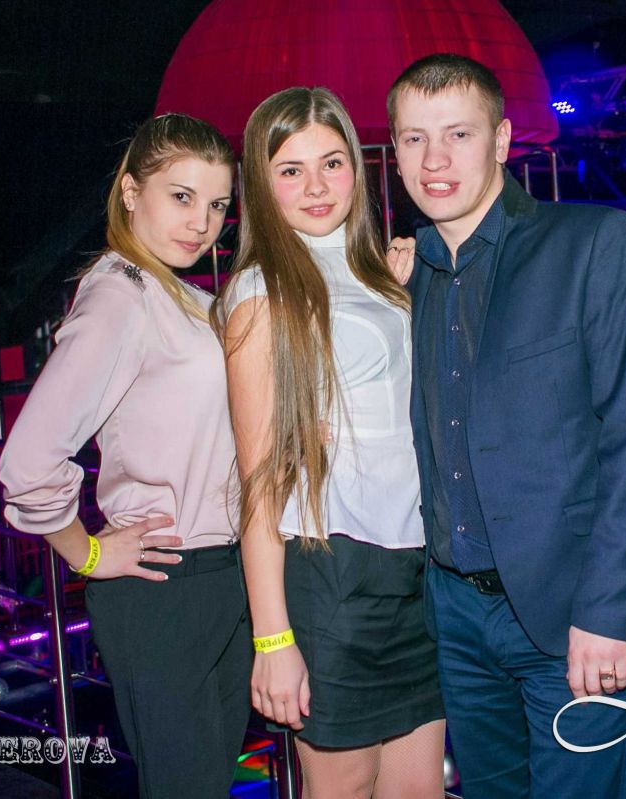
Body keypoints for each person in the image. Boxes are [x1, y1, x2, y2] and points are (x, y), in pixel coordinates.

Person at [386, 53, 626, 798]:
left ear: (502, 139)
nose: (435, 159)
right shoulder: (407, 277)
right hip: (455, 616)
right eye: (415, 138)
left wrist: (610, 613)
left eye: (458, 133)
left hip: (574, 616)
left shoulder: (591, 241)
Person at [0, 113, 251, 798]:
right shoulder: (120, 296)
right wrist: (85, 552)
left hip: (221, 576)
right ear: (132, 192)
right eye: (182, 196)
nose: (202, 223)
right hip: (163, 586)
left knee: (206, 783)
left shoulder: (180, 293)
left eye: (217, 204)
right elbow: (28, 461)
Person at [214, 86, 444, 799]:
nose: (316, 186)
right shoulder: (261, 293)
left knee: (419, 791)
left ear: (358, 168)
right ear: (261, 183)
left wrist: (404, 286)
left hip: (417, 567)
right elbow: (259, 482)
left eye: (332, 163)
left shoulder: (377, 271)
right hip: (331, 572)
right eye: (290, 170)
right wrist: (273, 637)